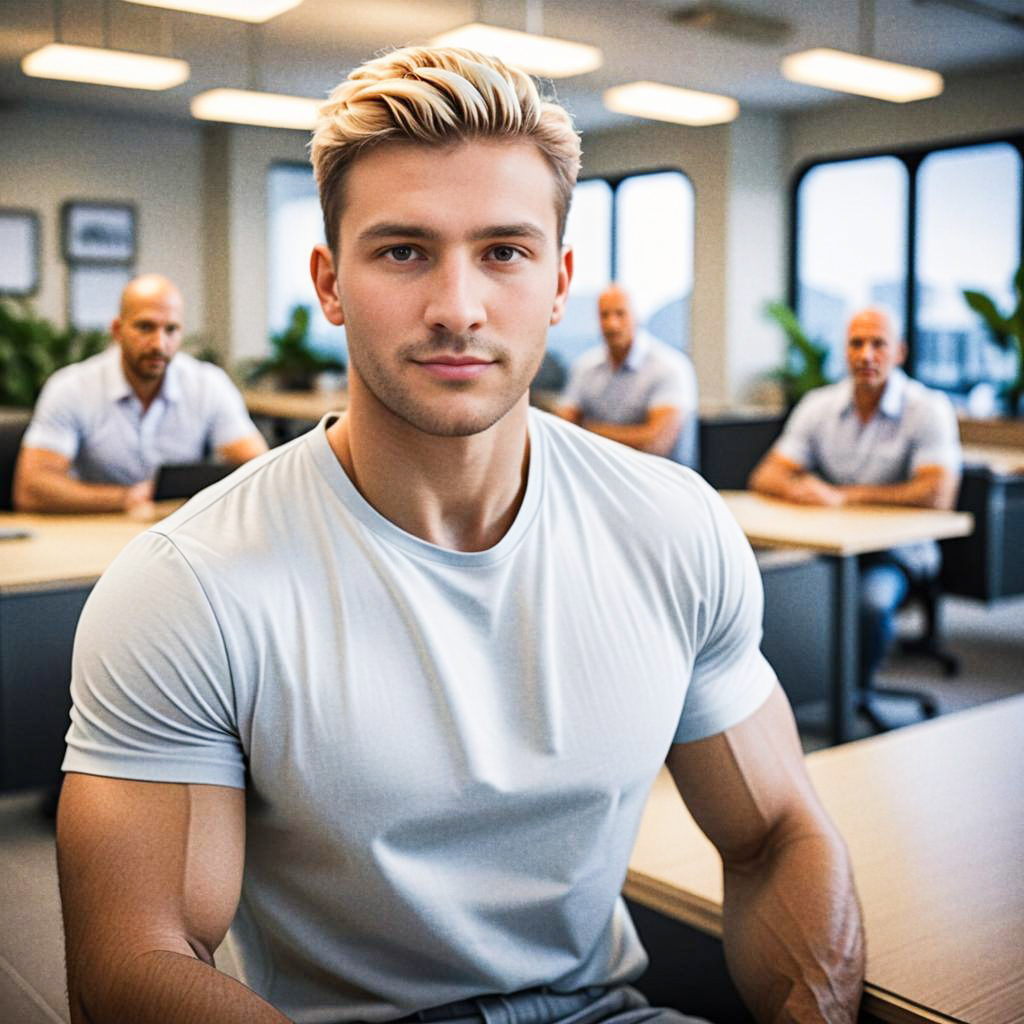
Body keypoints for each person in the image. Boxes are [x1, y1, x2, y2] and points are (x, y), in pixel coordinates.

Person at [56, 47, 864, 1024]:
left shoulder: (670, 524)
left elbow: (778, 831)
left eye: (503, 252)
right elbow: (137, 956)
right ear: (329, 281)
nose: (457, 308)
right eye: (403, 250)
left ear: (558, 280)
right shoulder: (189, 586)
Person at [748, 306, 962, 710]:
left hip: (897, 552)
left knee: (870, 604)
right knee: (781, 586)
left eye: (878, 344)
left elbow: (938, 494)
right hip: (830, 544)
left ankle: (854, 697)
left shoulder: (927, 408)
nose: (866, 355)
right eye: (856, 343)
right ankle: (804, 693)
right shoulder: (819, 406)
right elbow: (765, 476)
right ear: (845, 351)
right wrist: (802, 488)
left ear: (899, 352)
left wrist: (845, 495)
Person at [13, 274, 267, 513]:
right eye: (145, 327)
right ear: (117, 330)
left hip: (177, 533)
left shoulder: (208, 385)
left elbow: (259, 471)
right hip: (95, 531)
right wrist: (125, 498)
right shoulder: (70, 388)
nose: (159, 344)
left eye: (171, 330)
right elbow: (32, 489)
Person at [556, 285, 699, 468]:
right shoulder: (584, 367)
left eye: (620, 314)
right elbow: (561, 430)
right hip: (601, 478)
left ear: (637, 317)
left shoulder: (671, 368)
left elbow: (655, 444)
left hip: (659, 481)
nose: (612, 324)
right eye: (604, 315)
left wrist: (586, 430)